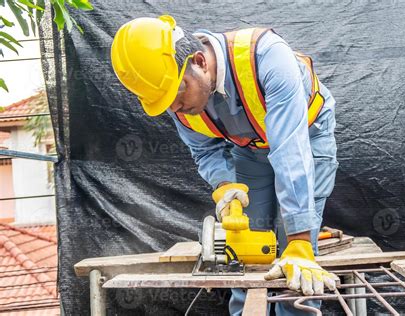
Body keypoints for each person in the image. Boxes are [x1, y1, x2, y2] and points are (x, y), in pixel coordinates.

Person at [111, 15, 339, 315]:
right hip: (251, 149)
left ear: (200, 61)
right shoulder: (177, 97)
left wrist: (299, 244)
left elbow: (290, 151)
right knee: (244, 247)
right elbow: (205, 151)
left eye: (178, 94)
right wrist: (224, 184)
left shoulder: (268, 56)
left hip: (306, 138)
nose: (175, 109)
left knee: (296, 260)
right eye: (166, 102)